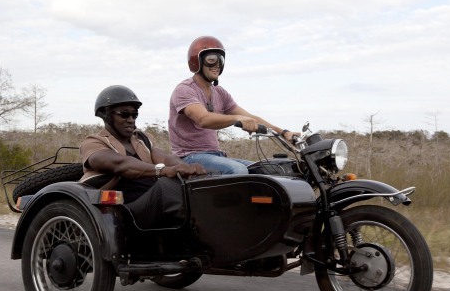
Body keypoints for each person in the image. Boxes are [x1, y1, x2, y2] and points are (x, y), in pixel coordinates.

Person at [80, 85, 206, 228]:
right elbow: (122, 164)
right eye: (124, 114)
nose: (131, 119)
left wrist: (185, 168)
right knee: (167, 185)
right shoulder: (94, 142)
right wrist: (163, 171)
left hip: (151, 201)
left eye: (134, 115)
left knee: (197, 183)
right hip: (123, 210)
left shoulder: (141, 139)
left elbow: (165, 158)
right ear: (106, 114)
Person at [168, 35, 297, 175]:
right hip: (189, 157)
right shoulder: (185, 90)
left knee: (267, 170)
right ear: (196, 61)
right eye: (212, 59)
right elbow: (203, 119)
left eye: (221, 60)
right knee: (238, 170)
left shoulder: (220, 93)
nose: (217, 64)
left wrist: (284, 132)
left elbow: (250, 117)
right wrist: (237, 119)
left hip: (216, 156)